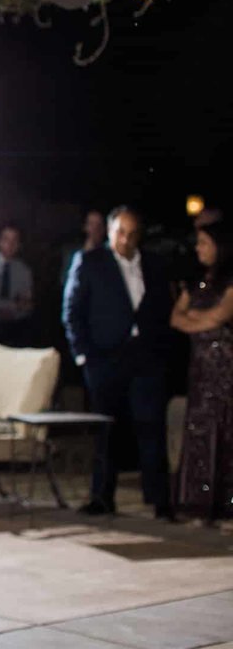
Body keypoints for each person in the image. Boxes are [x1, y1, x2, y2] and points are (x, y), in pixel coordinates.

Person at [63, 206, 173, 519]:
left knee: (151, 427)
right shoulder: (90, 262)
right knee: (106, 430)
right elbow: (72, 312)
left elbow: (163, 309)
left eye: (132, 233)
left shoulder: (154, 264)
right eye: (120, 233)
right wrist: (83, 355)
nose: (125, 240)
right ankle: (102, 496)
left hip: (146, 357)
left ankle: (160, 501)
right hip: (105, 358)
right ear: (110, 233)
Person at [171, 219, 233, 524]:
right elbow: (176, 319)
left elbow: (219, 317)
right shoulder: (196, 281)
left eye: (205, 243)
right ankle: (199, 503)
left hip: (225, 371)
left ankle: (225, 505)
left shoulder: (230, 282)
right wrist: (197, 317)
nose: (199, 249)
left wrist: (195, 316)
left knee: (225, 434)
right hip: (200, 370)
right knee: (200, 435)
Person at [61, 210, 107, 287]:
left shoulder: (108, 254)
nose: (95, 229)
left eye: (99, 225)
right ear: (85, 227)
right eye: (91, 224)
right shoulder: (72, 253)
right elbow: (65, 280)